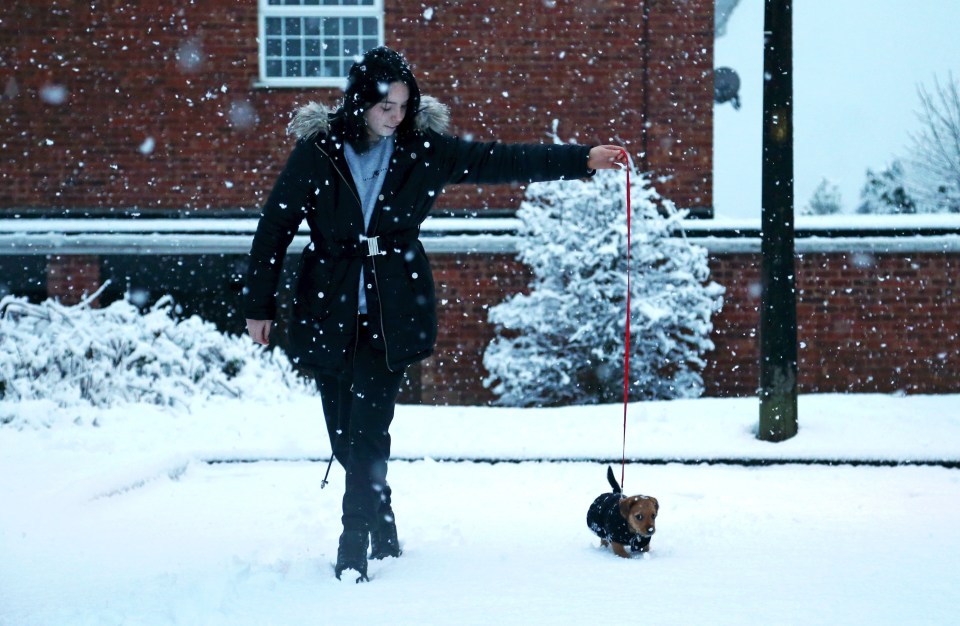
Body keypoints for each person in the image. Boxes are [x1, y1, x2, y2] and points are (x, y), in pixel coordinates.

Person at [243, 46, 627, 582]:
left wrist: (581, 159)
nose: (394, 115)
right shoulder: (320, 150)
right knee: (341, 435)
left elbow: (502, 160)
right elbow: (274, 228)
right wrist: (258, 306)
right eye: (384, 105)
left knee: (369, 430)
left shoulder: (424, 149)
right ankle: (382, 513)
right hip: (327, 308)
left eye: (402, 104)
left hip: (392, 310)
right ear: (361, 101)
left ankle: (353, 544)